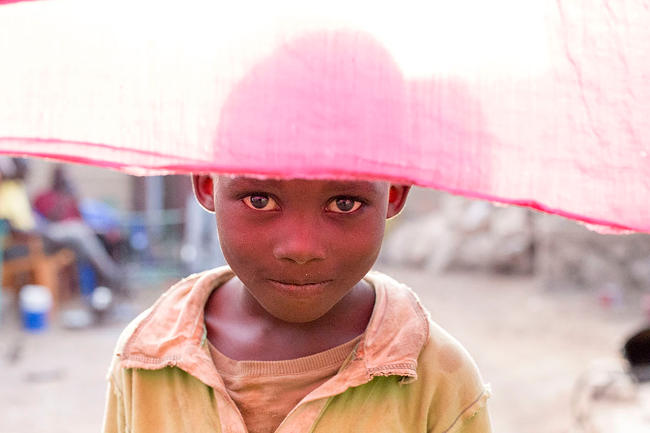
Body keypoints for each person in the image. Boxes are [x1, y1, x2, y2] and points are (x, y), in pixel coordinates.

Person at [102, 175, 492, 432]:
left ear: (393, 193)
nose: (301, 249)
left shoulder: (439, 377)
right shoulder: (145, 358)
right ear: (206, 184)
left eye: (344, 203)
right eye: (259, 199)